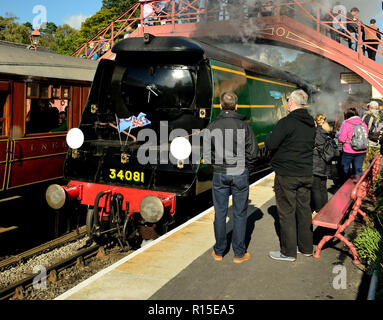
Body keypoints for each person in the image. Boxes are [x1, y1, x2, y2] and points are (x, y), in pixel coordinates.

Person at [203, 92, 258, 264]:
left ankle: (219, 251)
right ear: (236, 106)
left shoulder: (212, 126)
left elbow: (206, 153)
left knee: (220, 212)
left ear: (220, 106)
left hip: (220, 174)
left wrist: (217, 166)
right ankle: (239, 253)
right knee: (240, 214)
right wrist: (246, 168)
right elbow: (253, 152)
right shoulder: (244, 126)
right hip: (239, 172)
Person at [265, 89, 316, 262]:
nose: (286, 104)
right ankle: (307, 247)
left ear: (292, 103)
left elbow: (271, 144)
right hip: (306, 173)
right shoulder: (311, 123)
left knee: (286, 212)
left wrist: (269, 136)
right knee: (304, 210)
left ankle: (288, 252)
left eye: (287, 101)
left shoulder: (286, 123)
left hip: (287, 174)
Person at [338, 107, 368, 180]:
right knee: (358, 169)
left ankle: (344, 186)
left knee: (345, 169)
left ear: (348, 115)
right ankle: (358, 186)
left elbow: (342, 139)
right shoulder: (363, 123)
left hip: (349, 151)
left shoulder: (347, 123)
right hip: (362, 150)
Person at [312, 114, 332, 215]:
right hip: (326, 162)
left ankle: (319, 209)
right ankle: (325, 206)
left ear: (315, 122)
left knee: (315, 187)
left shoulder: (314, 132)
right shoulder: (326, 132)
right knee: (323, 186)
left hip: (316, 161)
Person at [362, 101, 382, 169]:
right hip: (378, 144)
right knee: (376, 164)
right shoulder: (381, 116)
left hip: (368, 144)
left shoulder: (366, 116)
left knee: (366, 163)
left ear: (370, 108)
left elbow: (362, 130)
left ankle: (365, 178)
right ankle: (375, 178)